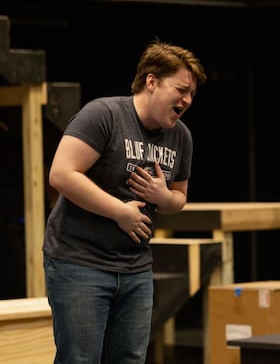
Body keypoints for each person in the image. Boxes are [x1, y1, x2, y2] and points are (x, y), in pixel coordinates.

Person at [43, 39, 207, 363]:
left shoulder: (180, 136)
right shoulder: (104, 115)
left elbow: (179, 199)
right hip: (80, 261)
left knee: (130, 359)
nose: (187, 100)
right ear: (151, 81)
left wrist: (164, 197)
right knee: (80, 359)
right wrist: (120, 211)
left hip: (135, 267)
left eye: (192, 94)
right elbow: (61, 174)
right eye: (181, 89)